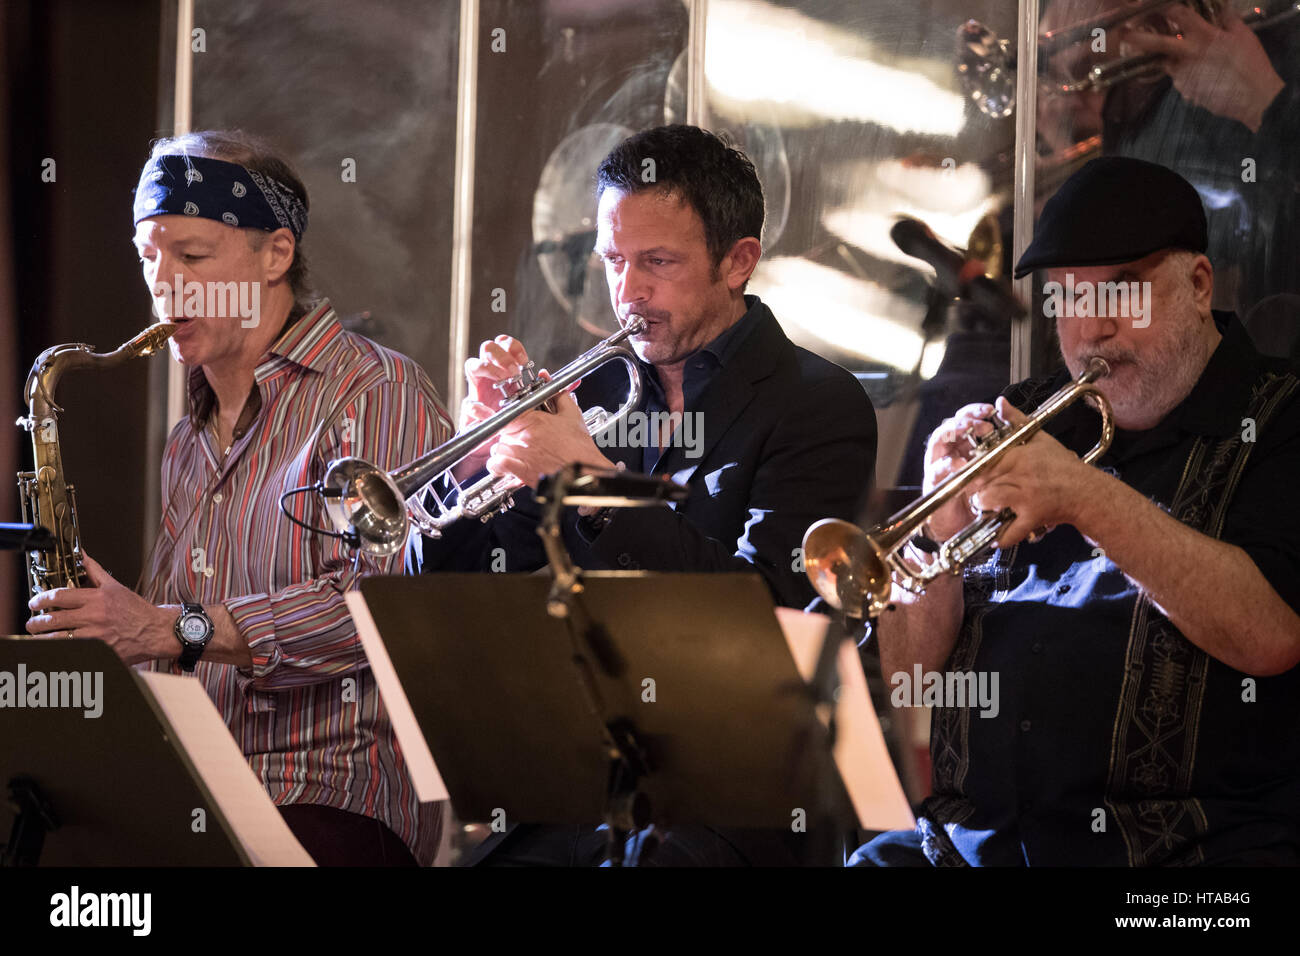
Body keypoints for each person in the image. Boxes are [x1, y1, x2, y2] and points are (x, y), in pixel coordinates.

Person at [412, 124, 878, 865]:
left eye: (658, 262)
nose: (628, 291)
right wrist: (476, 454)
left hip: (741, 794)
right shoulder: (591, 394)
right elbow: (443, 585)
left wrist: (594, 485)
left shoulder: (818, 403)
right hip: (585, 781)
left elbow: (770, 613)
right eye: (613, 260)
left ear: (739, 262)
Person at [854, 156, 1300, 866]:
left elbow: (1273, 636)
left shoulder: (1277, 419)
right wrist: (935, 535)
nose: (1090, 332)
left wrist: (1086, 498)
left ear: (1197, 284)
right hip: (969, 845)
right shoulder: (1026, 413)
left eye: (1122, 293)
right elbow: (911, 679)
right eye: (1067, 298)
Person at [26, 130, 453, 866]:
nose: (164, 284)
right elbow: (170, 646)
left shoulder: (374, 389)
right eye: (148, 258)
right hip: (197, 795)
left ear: (276, 254)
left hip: (330, 798)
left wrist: (168, 629)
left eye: (192, 256)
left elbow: (385, 608)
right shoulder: (186, 438)